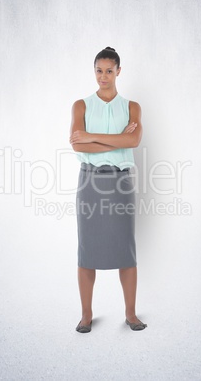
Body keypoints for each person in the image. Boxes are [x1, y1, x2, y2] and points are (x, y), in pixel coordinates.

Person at [69, 46, 147, 332]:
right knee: (87, 250)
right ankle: (86, 315)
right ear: (94, 71)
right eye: (99, 70)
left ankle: (131, 314)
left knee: (126, 249)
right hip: (89, 181)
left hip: (121, 183)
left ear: (118, 71)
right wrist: (115, 140)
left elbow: (133, 141)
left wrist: (91, 136)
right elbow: (77, 144)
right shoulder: (81, 105)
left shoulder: (132, 107)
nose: (103, 76)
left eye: (109, 71)